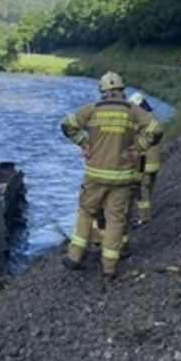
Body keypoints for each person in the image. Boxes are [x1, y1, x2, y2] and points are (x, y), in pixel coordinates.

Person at [59, 72, 162, 282]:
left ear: (103, 92)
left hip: (95, 175)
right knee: (116, 220)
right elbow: (157, 129)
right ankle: (109, 269)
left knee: (86, 212)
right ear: (122, 91)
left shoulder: (92, 109)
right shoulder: (134, 111)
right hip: (122, 177)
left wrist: (83, 143)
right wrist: (139, 147)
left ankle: (74, 256)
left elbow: (66, 125)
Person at [128, 92, 160, 225]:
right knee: (149, 186)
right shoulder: (153, 117)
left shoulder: (141, 120)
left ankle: (144, 217)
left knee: (143, 188)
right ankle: (146, 214)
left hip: (145, 158)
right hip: (155, 159)